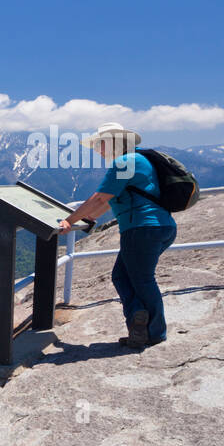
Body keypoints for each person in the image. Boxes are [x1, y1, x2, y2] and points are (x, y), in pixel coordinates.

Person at [56, 122, 177, 348]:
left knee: (141, 279)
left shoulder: (124, 163)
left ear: (112, 143)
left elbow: (100, 198)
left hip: (141, 228)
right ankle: (138, 319)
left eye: (99, 144)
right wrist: (90, 217)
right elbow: (111, 200)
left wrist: (69, 221)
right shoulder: (138, 161)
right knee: (122, 276)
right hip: (160, 227)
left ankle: (154, 331)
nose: (97, 150)